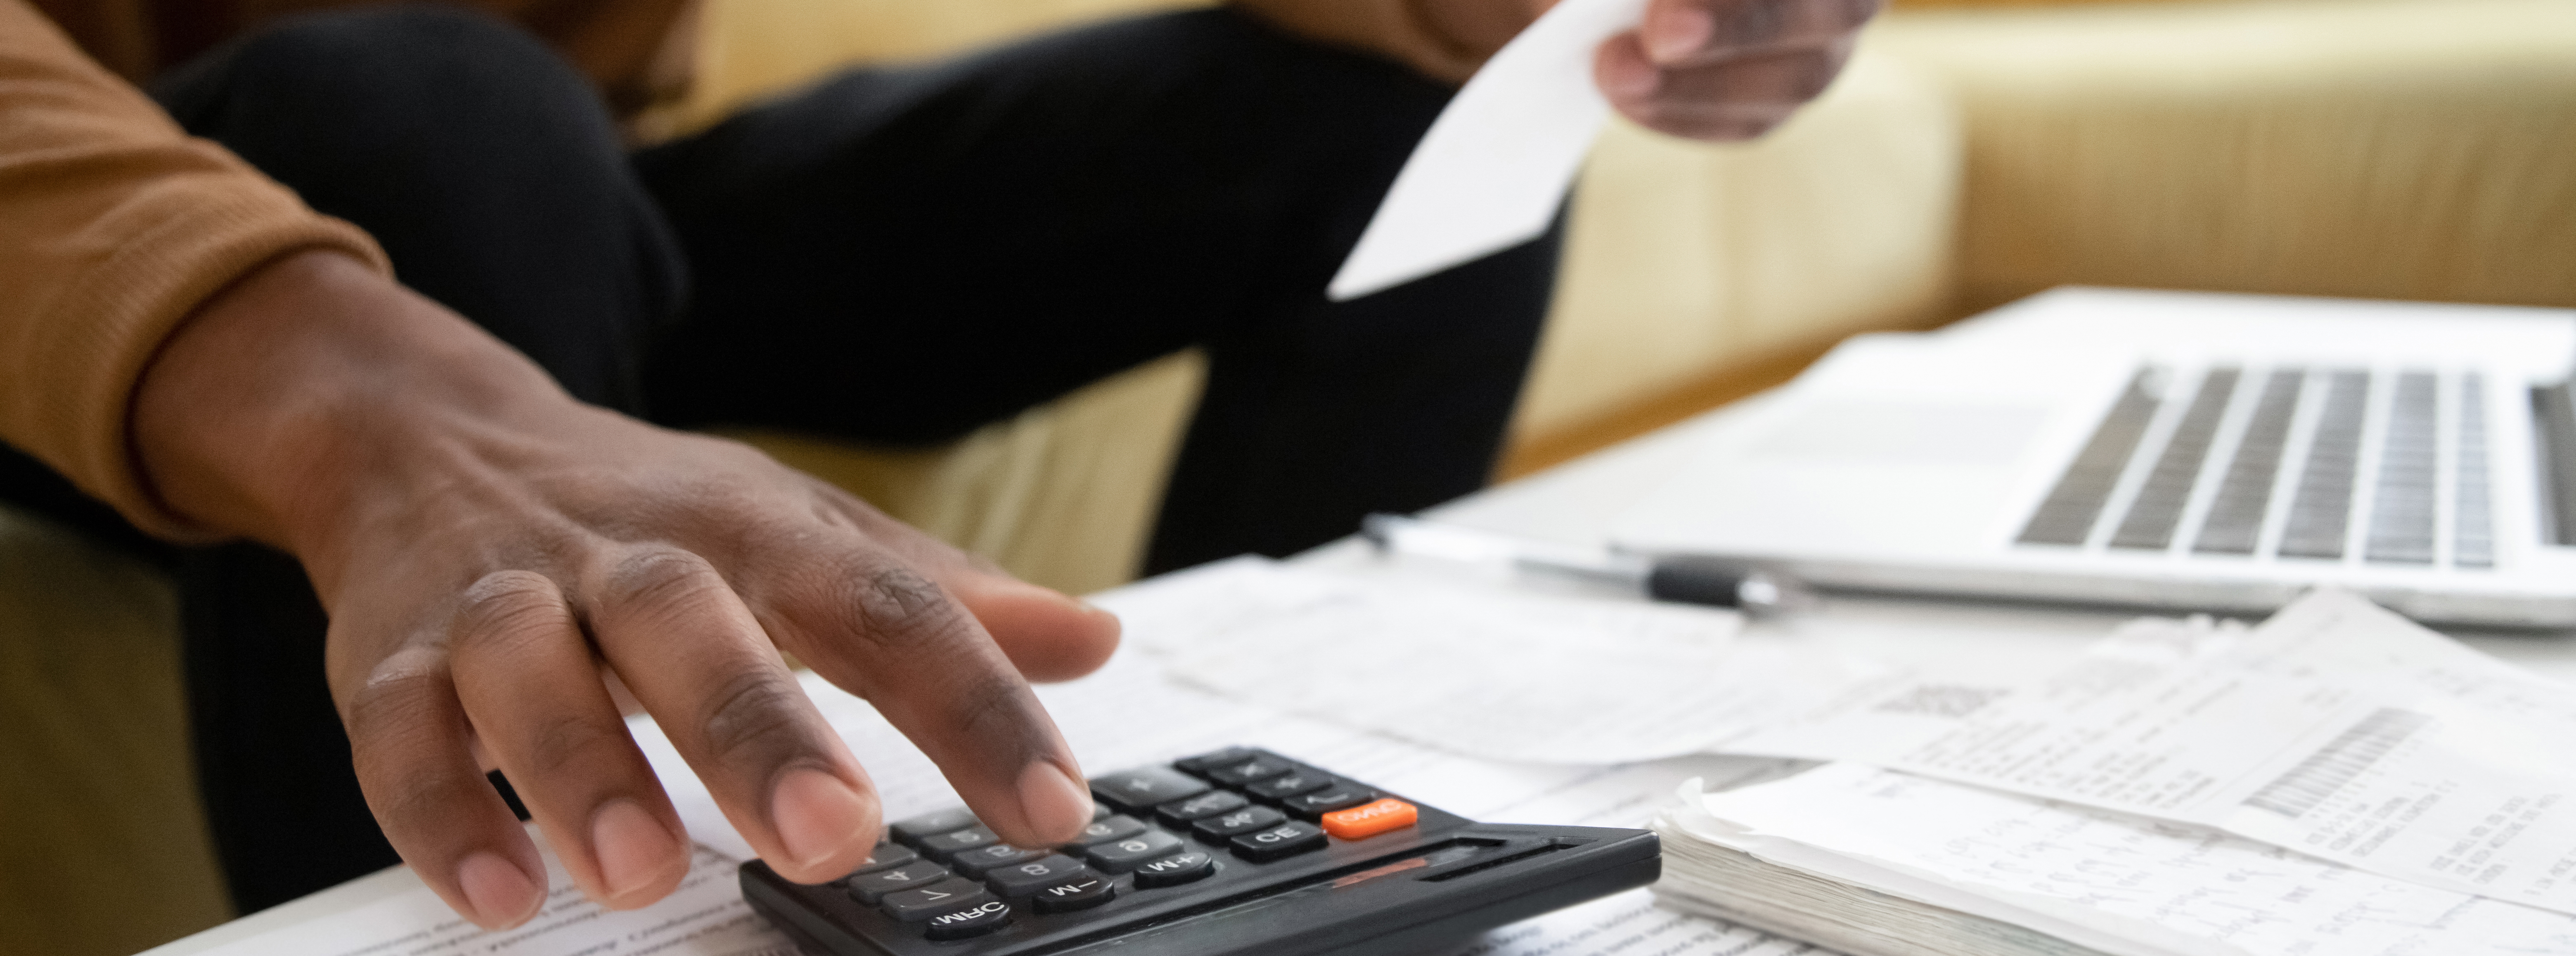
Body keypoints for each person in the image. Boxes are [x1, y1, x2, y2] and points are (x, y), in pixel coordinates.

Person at [0, 0, 1876, 930]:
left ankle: (1264, 870)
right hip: (104, 277)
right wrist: (351, 392)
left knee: (1359, 124)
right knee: (417, 103)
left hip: (590, 188)